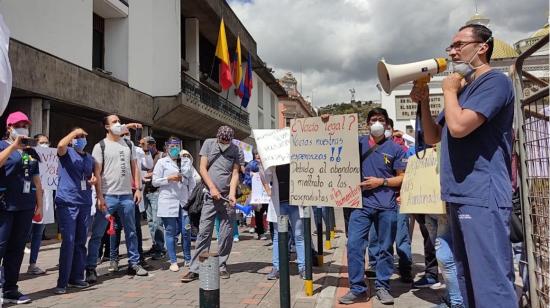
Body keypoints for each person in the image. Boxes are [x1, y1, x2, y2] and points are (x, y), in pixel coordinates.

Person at [411, 23, 516, 307]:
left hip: (482, 194)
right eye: (451, 46)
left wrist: (448, 90)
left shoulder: (495, 82)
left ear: (483, 47)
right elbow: (435, 136)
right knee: (467, 278)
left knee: (490, 282)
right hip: (459, 195)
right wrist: (424, 102)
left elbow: (458, 127)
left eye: (459, 45)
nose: (453, 51)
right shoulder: (462, 89)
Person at [338, 108, 407, 305]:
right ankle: (357, 288)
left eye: (381, 120)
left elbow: (402, 178)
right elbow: (334, 142)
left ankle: (383, 287)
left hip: (387, 207)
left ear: (386, 124)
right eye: (373, 119)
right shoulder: (357, 144)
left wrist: (381, 182)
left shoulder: (396, 149)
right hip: (360, 205)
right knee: (354, 246)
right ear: (367, 123)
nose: (377, 123)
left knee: (385, 249)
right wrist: (326, 123)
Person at [85, 114, 148, 283]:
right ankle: (90, 268)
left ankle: (134, 263)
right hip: (108, 196)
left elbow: (135, 167)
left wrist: (138, 188)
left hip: (127, 195)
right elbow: (96, 173)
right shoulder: (101, 146)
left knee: (132, 232)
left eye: (119, 121)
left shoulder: (128, 143)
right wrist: (99, 197)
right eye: (114, 122)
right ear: (107, 127)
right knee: (98, 233)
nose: (118, 124)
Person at [181, 126, 241, 282]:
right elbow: (202, 168)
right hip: (209, 196)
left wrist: (233, 193)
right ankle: (195, 268)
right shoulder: (208, 144)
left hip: (227, 198)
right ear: (218, 137)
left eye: (228, 141)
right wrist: (212, 188)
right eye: (222, 141)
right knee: (204, 232)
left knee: (226, 233)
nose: (225, 143)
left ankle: (222, 265)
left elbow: (235, 174)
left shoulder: (236, 150)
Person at [0, 111, 43, 304]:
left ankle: (10, 289)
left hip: (25, 205)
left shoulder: (30, 151)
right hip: (5, 205)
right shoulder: (2, 146)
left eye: (25, 125)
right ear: (9, 127)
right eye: (18, 125)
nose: (22, 128)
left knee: (17, 249)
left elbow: (36, 179)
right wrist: (13, 148)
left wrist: (39, 204)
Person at [367, 118, 413, 283]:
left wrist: (403, 194)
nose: (380, 128)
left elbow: (406, 176)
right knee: (375, 237)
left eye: (385, 125)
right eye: (374, 121)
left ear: (391, 130)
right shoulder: (370, 149)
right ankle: (374, 265)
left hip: (398, 200)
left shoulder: (400, 150)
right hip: (376, 201)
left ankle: (405, 268)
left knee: (401, 237)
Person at [53, 127, 97, 294]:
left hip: (84, 202)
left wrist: (92, 180)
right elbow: (60, 146)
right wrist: (73, 133)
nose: (80, 139)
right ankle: (62, 282)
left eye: (83, 137)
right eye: (78, 137)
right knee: (69, 241)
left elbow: (91, 176)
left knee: (80, 242)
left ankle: (76, 277)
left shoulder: (89, 158)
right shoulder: (66, 152)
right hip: (67, 202)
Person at [152, 138, 196, 272]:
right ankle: (173, 261)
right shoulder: (161, 162)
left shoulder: (186, 160)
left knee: (186, 231)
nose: (174, 148)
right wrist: (168, 179)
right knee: (170, 232)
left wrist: (191, 194)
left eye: (177, 146)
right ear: (166, 147)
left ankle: (188, 259)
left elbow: (192, 180)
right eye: (171, 146)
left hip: (183, 202)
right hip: (168, 201)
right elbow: (154, 182)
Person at [263, 164, 306, 280]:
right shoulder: (274, 159)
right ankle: (277, 268)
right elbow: (265, 176)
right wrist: (267, 189)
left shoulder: (298, 156)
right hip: (279, 203)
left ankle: (303, 267)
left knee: (299, 235)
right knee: (278, 236)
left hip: (296, 203)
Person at [26, 134, 55, 275]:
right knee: (22, 235)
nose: (45, 145)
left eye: (47, 142)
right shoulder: (29, 158)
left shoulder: (52, 160)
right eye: (42, 143)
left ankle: (33, 264)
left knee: (38, 234)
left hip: (45, 201)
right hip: (30, 201)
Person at [142, 136, 166, 260]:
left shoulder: (162, 156)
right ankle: (155, 245)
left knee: (157, 222)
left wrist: (150, 174)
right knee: (150, 222)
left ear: (152, 145)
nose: (144, 149)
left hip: (157, 192)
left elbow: (166, 172)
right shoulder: (143, 156)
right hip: (147, 191)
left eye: (146, 146)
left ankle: (161, 248)